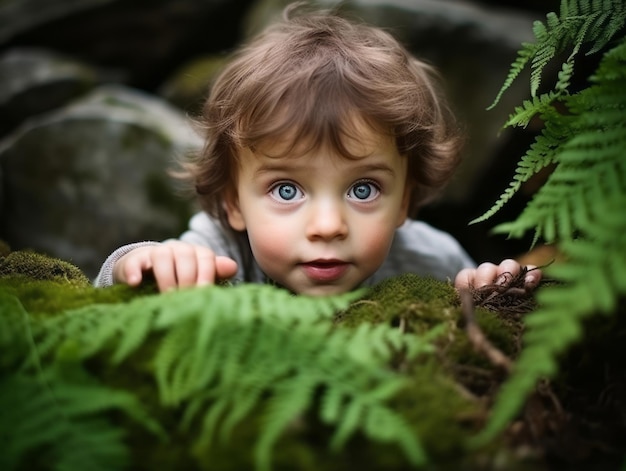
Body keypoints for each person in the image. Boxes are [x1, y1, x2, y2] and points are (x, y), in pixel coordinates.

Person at [95, 4, 541, 296]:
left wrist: (482, 297)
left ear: (405, 199)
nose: (327, 227)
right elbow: (102, 299)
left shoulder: (431, 261)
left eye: (363, 189)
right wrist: (144, 264)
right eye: (287, 190)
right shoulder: (221, 256)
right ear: (233, 202)